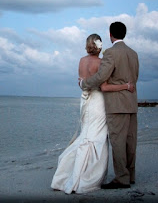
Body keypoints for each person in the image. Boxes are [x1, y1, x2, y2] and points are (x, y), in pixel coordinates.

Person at [51, 33, 134, 194]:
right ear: (100, 46)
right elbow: (105, 88)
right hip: (97, 102)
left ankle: (67, 175)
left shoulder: (81, 61)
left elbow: (82, 84)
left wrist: (84, 85)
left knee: (86, 134)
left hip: (85, 101)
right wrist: (125, 86)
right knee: (96, 137)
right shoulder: (102, 63)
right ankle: (85, 177)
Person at [79, 22, 139, 189]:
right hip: (131, 103)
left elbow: (101, 76)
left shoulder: (111, 53)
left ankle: (121, 178)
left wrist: (84, 84)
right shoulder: (133, 53)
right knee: (130, 141)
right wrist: (126, 86)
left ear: (111, 34)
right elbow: (135, 76)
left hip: (116, 104)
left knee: (118, 142)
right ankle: (130, 175)